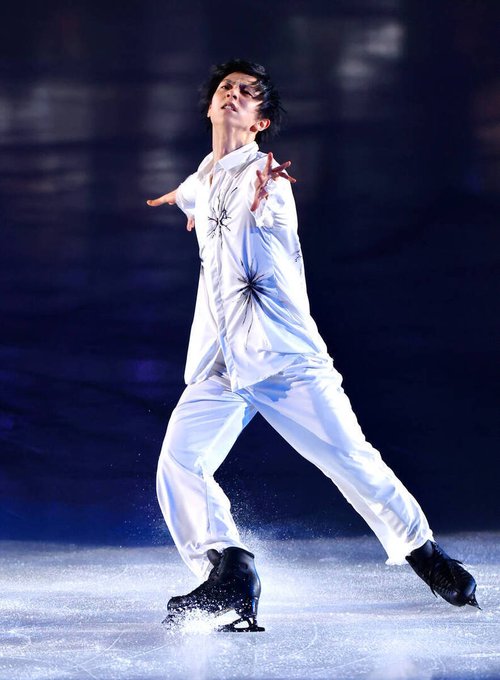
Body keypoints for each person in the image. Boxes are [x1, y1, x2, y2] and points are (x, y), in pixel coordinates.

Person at [147, 59, 479, 632]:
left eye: (248, 93)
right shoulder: (203, 178)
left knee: (349, 459)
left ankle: (425, 554)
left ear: (260, 122)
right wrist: (182, 197)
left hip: (283, 359)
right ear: (211, 106)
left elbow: (266, 199)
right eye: (227, 87)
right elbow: (199, 190)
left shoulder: (266, 179)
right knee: (178, 462)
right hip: (222, 364)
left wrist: (264, 194)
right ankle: (229, 568)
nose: (233, 94)